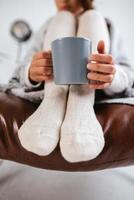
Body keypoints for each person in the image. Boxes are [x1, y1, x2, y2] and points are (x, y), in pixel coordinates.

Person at [1, 0, 134, 163]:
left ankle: (81, 104)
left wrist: (113, 74)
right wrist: (31, 71)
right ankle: (53, 102)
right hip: (49, 90)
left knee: (93, 17)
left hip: (95, 92)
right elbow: (18, 75)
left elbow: (128, 76)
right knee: (62, 19)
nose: (63, 0)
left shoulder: (108, 27)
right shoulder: (47, 28)